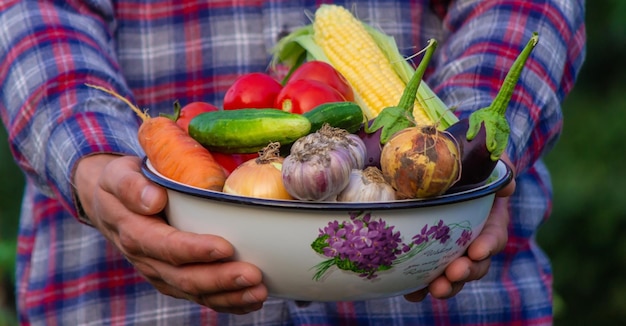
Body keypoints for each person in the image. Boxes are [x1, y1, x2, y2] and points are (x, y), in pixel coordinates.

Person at [0, 0, 585, 325]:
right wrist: (94, 159)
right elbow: (35, 14)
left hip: (453, 295)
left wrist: (462, 151)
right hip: (118, 301)